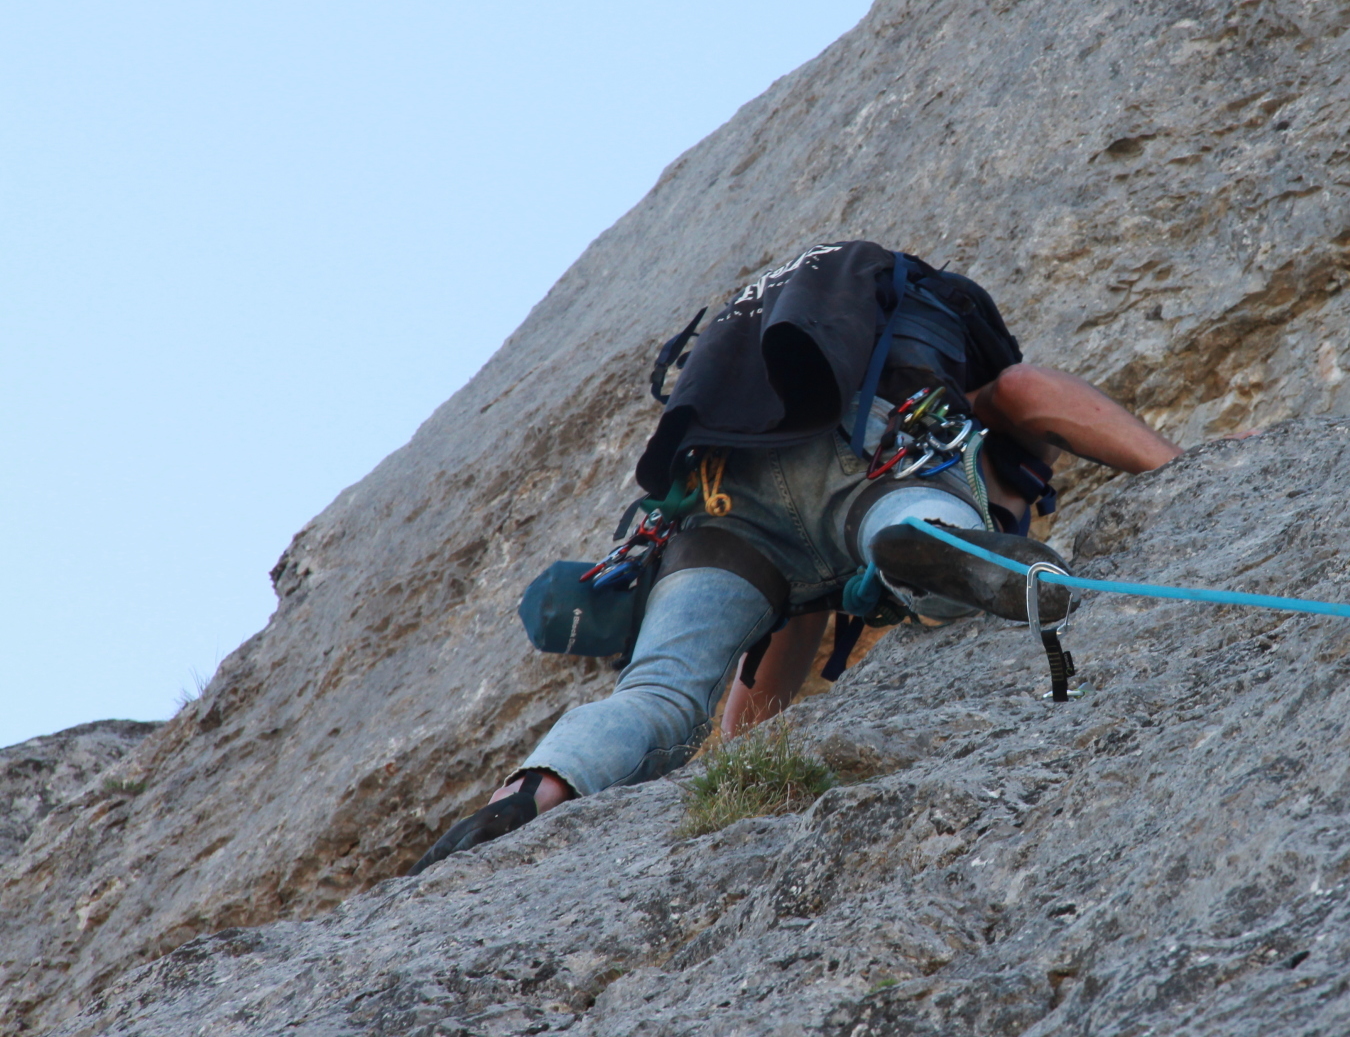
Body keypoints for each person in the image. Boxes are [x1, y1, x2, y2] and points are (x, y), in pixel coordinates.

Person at [410, 241, 1179, 873]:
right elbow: (1025, 385)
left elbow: (764, 700)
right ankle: (940, 544)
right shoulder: (967, 387)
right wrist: (1176, 465)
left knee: (660, 695)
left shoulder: (764, 368)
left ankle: (538, 784)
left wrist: (738, 771)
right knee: (909, 517)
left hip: (721, 505)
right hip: (869, 449)